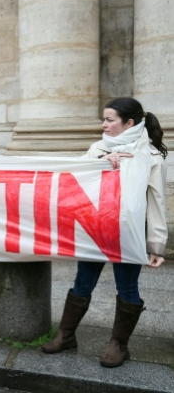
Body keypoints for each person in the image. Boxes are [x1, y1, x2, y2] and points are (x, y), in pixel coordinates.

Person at [41, 97, 167, 368]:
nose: (104, 124)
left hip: (129, 233)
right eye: (104, 119)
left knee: (127, 287)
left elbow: (157, 202)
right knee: (83, 282)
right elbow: (76, 174)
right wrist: (101, 160)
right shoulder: (98, 147)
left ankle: (118, 345)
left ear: (129, 123)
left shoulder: (151, 156)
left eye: (110, 120)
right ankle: (66, 335)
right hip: (96, 229)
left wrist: (156, 245)